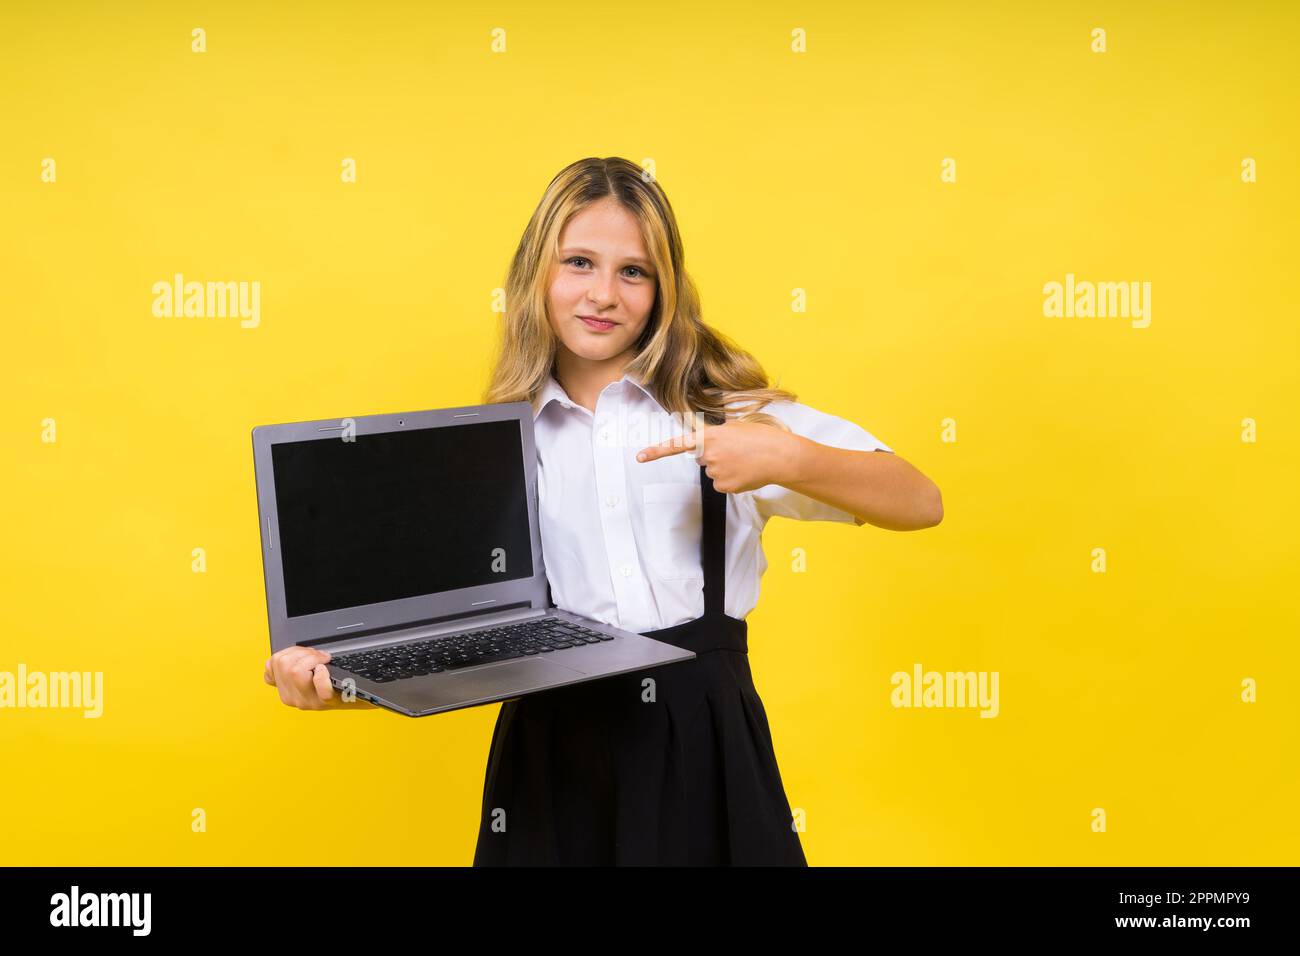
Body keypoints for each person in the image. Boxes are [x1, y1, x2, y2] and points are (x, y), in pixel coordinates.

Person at [265, 156, 943, 865]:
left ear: (664, 289)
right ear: (538, 276)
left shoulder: (725, 414)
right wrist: (333, 681)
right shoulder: (497, 445)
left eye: (634, 272)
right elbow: (457, 647)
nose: (604, 294)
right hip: (553, 764)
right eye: (579, 262)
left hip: (704, 748)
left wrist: (787, 458)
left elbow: (920, 502)